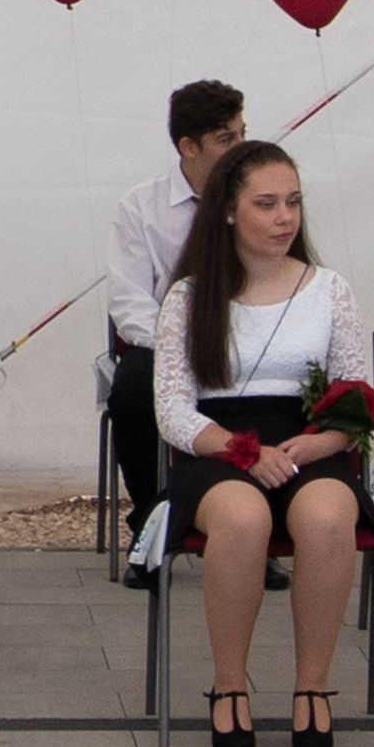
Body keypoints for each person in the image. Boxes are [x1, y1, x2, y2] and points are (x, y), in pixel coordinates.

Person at [161, 140, 374, 747]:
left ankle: (313, 686)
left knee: (329, 517)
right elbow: (172, 409)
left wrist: (322, 441)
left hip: (309, 443)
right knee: (242, 518)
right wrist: (243, 451)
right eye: (267, 204)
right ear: (229, 211)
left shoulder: (329, 289)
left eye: (293, 202)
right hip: (219, 449)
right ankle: (230, 684)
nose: (285, 217)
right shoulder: (189, 296)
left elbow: (356, 398)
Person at [100, 82, 248, 589]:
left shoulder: (255, 197)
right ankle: (151, 522)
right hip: (167, 344)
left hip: (244, 338)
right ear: (188, 146)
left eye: (243, 134)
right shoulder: (142, 207)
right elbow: (129, 301)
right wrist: (179, 348)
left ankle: (254, 524)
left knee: (269, 379)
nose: (241, 148)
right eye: (227, 139)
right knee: (133, 389)